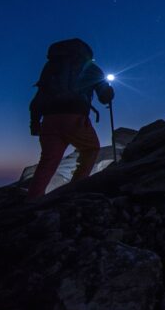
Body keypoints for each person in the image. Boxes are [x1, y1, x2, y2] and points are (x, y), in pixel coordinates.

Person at [27, 38, 114, 199]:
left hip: (49, 119)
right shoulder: (91, 68)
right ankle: (75, 190)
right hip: (75, 118)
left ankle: (32, 199)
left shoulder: (51, 67)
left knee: (48, 161)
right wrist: (109, 92)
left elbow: (39, 97)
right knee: (90, 149)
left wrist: (34, 123)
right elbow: (104, 97)